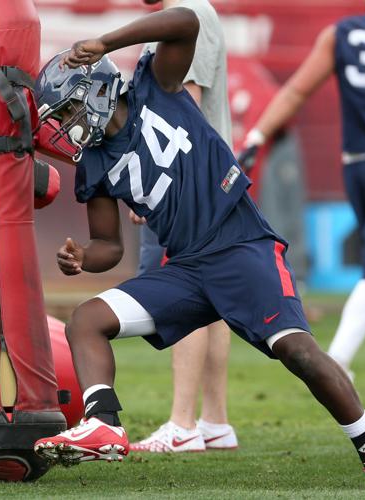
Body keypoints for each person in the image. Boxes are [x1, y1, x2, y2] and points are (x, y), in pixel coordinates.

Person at [32, 7, 365, 490]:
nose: (65, 125)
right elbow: (108, 244)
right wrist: (85, 258)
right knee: (88, 318)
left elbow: (186, 20)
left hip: (240, 247)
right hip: (185, 268)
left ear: (95, 91)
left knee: (297, 351)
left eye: (66, 110)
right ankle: (104, 422)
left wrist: (106, 41)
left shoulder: (155, 86)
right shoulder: (96, 166)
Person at [237, 0, 365, 381]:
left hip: (357, 163)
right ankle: (336, 362)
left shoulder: (340, 34)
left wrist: (257, 135)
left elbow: (296, 91)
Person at [129, 0, 237, 454]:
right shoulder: (194, 11)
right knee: (211, 301)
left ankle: (182, 423)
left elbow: (183, 105)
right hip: (207, 181)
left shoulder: (189, 12)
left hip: (187, 184)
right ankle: (214, 422)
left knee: (183, 293)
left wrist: (153, 180)